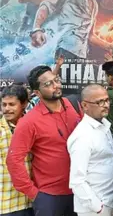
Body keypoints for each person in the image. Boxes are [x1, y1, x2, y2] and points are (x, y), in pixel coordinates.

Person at [6, 66, 81, 215]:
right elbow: (14, 160)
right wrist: (34, 194)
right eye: (48, 84)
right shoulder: (29, 121)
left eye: (56, 80)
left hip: (80, 191)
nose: (56, 86)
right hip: (50, 197)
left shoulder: (74, 105)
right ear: (37, 93)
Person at [67, 84, 113, 216]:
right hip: (95, 208)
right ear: (85, 105)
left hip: (110, 202)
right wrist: (98, 208)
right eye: (100, 102)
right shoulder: (82, 136)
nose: (106, 105)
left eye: (107, 100)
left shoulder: (103, 126)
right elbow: (77, 180)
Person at [0, 85, 33, 216]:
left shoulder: (33, 126)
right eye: (4, 104)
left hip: (30, 201)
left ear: (24, 104)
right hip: (5, 203)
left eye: (12, 104)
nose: (7, 109)